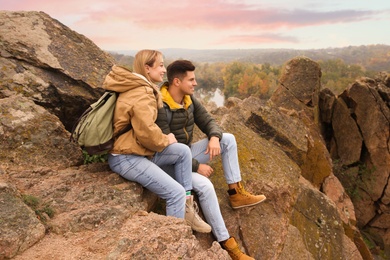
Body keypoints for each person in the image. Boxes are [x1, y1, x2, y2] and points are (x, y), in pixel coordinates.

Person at [156, 59, 267, 260]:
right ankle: (229, 245)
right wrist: (197, 166)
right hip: (166, 165)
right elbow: (165, 149)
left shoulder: (189, 100)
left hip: (186, 155)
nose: (195, 83)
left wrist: (215, 137)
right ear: (176, 82)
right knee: (205, 186)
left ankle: (236, 193)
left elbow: (209, 121)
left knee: (228, 139)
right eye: (191, 80)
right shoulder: (160, 106)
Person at [102, 50, 211, 233]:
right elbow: (146, 132)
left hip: (136, 152)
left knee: (182, 151)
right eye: (160, 65)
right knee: (174, 193)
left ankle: (187, 207)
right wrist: (165, 139)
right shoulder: (141, 92)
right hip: (126, 157)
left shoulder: (142, 87)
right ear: (147, 68)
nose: (163, 70)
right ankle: (175, 237)